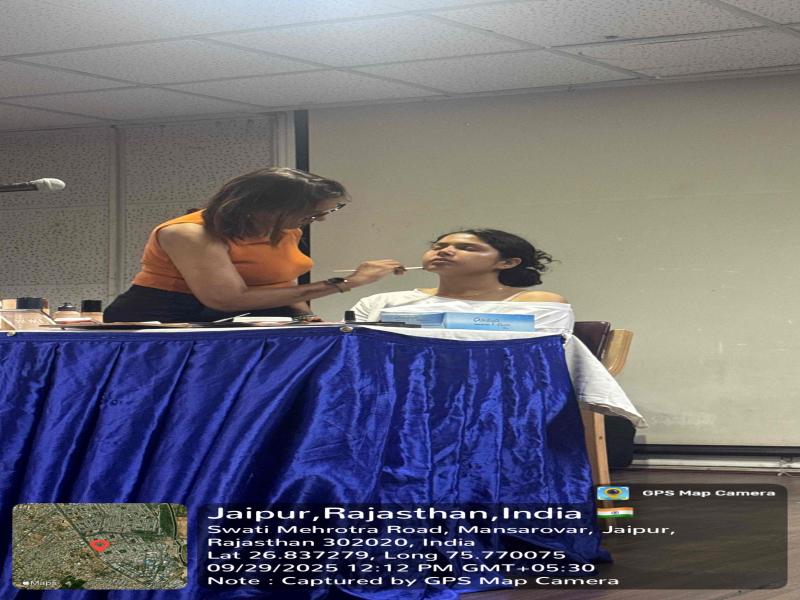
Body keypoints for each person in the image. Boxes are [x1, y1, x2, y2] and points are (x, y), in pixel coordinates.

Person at [104, 167, 404, 323]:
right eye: (311, 214)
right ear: (268, 207)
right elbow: (227, 299)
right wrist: (347, 283)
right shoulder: (189, 233)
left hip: (239, 314)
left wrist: (305, 318)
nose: (319, 220)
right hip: (167, 318)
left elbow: (280, 283)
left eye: (326, 212)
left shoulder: (284, 228)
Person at [351, 228, 567, 323]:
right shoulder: (380, 302)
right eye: (438, 247)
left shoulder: (537, 302)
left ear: (507, 262)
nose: (444, 251)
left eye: (467, 248)